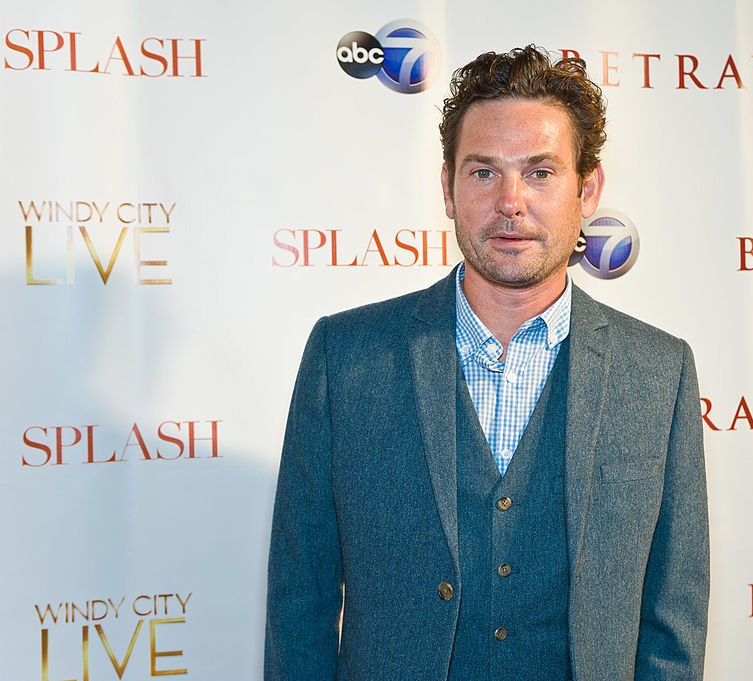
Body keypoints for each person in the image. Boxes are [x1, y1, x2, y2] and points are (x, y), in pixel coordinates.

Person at [265, 45, 709, 681]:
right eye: (482, 173)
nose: (511, 201)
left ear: (588, 190)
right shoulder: (347, 360)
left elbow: (673, 623)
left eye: (540, 172)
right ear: (446, 189)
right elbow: (298, 608)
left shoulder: (657, 374)